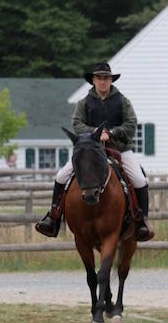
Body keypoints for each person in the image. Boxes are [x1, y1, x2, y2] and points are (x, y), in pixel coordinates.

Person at [36, 62, 154, 241]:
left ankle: (142, 221)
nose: (102, 81)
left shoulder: (123, 101)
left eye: (106, 78)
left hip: (119, 148)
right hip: (89, 150)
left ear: (111, 80)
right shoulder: (84, 102)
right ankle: (53, 217)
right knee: (61, 176)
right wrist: (96, 133)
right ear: (93, 80)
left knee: (139, 179)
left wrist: (112, 133)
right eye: (99, 78)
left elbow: (131, 124)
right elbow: (77, 124)